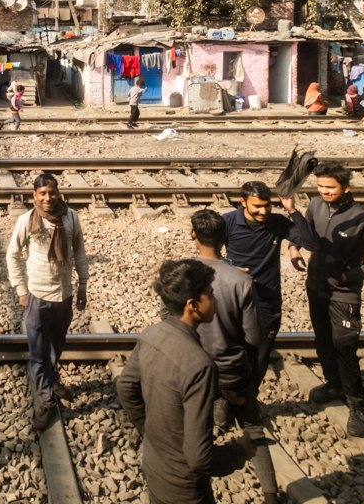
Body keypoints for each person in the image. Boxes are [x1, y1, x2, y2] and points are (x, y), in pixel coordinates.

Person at [117, 259, 255, 504]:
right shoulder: (200, 366)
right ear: (193, 305)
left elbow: (125, 386)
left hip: (154, 468)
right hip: (184, 491)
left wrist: (148, 430)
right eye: (210, 295)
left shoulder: (151, 334)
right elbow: (199, 458)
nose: (215, 300)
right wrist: (240, 451)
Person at [287, 162, 364, 438]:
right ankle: (334, 385)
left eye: (330, 187)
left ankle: (357, 406)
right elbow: (304, 233)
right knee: (322, 340)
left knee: (344, 348)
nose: (324, 192)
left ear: (345, 188)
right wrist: (293, 247)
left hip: (344, 295)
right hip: (316, 286)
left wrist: (350, 277)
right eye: (320, 186)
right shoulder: (316, 206)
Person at [189, 210, 279, 504]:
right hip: (232, 371)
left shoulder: (183, 276)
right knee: (253, 427)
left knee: (193, 432)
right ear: (226, 238)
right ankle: (270, 493)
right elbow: (254, 336)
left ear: (193, 235)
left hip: (194, 372)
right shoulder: (241, 281)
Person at [6, 173, 88, 431]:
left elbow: (79, 252)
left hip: (64, 295)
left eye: (51, 192)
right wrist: (21, 289)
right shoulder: (26, 221)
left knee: (56, 345)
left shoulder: (71, 218)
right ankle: (46, 400)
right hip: (37, 295)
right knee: (39, 352)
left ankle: (50, 380)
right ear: (34, 196)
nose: (47, 198)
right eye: (42, 193)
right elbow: (13, 255)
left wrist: (82, 284)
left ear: (57, 192)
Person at [223, 181, 317, 389]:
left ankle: (249, 402)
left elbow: (311, 243)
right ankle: (228, 401)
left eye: (267, 205)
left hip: (266, 301)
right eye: (257, 206)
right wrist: (228, 268)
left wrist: (292, 211)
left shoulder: (278, 223)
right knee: (231, 352)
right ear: (243, 202)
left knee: (259, 356)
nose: (263, 211)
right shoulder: (228, 222)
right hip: (234, 299)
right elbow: (209, 254)